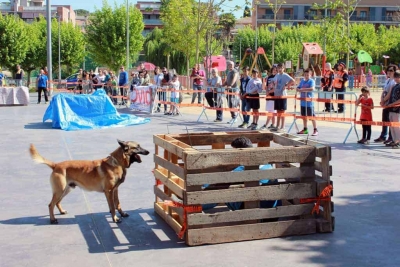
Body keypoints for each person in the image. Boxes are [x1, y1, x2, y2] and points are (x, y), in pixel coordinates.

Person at [374, 65, 397, 144]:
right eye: (388, 70)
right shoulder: (387, 80)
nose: (389, 72)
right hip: (385, 103)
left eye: (391, 70)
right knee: (384, 120)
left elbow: (390, 93)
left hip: (390, 104)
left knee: (390, 121)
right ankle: (383, 136)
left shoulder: (394, 81)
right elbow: (384, 91)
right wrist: (382, 100)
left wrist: (384, 100)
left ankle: (391, 137)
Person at [271, 63, 295, 132]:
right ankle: (277, 126)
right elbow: (273, 81)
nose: (279, 69)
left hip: (282, 95)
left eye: (281, 68)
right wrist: (273, 84)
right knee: (278, 111)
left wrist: (287, 85)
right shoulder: (277, 75)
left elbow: (292, 80)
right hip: (277, 95)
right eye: (278, 68)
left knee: (282, 111)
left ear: (283, 68)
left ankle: (282, 126)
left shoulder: (285, 75)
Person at [296, 69, 318, 136]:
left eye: (307, 75)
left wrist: (303, 89)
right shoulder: (302, 81)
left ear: (310, 75)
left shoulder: (311, 81)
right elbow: (298, 87)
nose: (306, 76)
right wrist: (298, 89)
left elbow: (312, 88)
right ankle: (305, 129)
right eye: (305, 75)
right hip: (303, 102)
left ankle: (315, 129)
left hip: (309, 102)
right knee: (304, 116)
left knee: (311, 116)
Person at [382, 70, 400, 148]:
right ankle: (394, 140)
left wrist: (393, 104)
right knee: (391, 126)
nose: (396, 78)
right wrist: (386, 103)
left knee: (396, 126)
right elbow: (390, 96)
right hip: (391, 109)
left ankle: (398, 141)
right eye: (395, 77)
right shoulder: (395, 86)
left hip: (397, 109)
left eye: (398, 77)